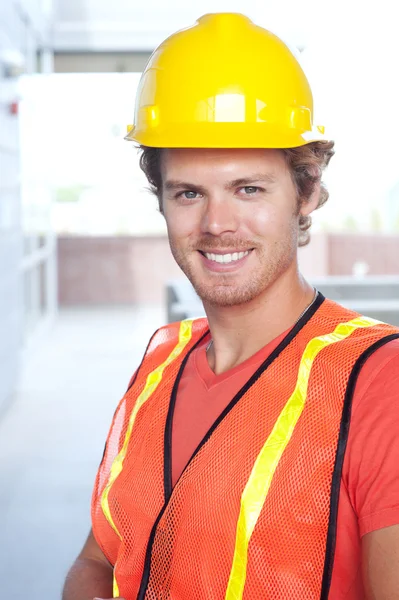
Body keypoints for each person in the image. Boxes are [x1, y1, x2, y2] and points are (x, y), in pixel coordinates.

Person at [62, 13, 399, 600]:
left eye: (249, 189)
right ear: (162, 201)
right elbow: (99, 562)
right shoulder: (160, 365)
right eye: (189, 193)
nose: (217, 225)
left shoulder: (377, 383)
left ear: (307, 191)